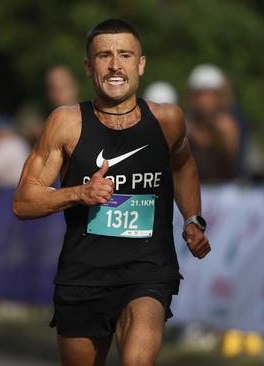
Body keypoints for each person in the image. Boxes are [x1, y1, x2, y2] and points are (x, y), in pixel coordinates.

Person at [13, 19, 211, 366]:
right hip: (83, 276)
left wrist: (192, 218)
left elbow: (183, 165)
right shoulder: (67, 123)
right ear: (89, 67)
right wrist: (78, 193)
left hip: (148, 270)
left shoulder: (167, 120)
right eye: (104, 56)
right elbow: (24, 202)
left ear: (141, 64)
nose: (115, 65)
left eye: (125, 55)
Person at [185, 64, 244, 183]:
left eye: (209, 94)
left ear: (219, 96)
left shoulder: (228, 124)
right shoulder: (187, 124)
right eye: (200, 95)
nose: (204, 101)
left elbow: (232, 156)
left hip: (227, 191)